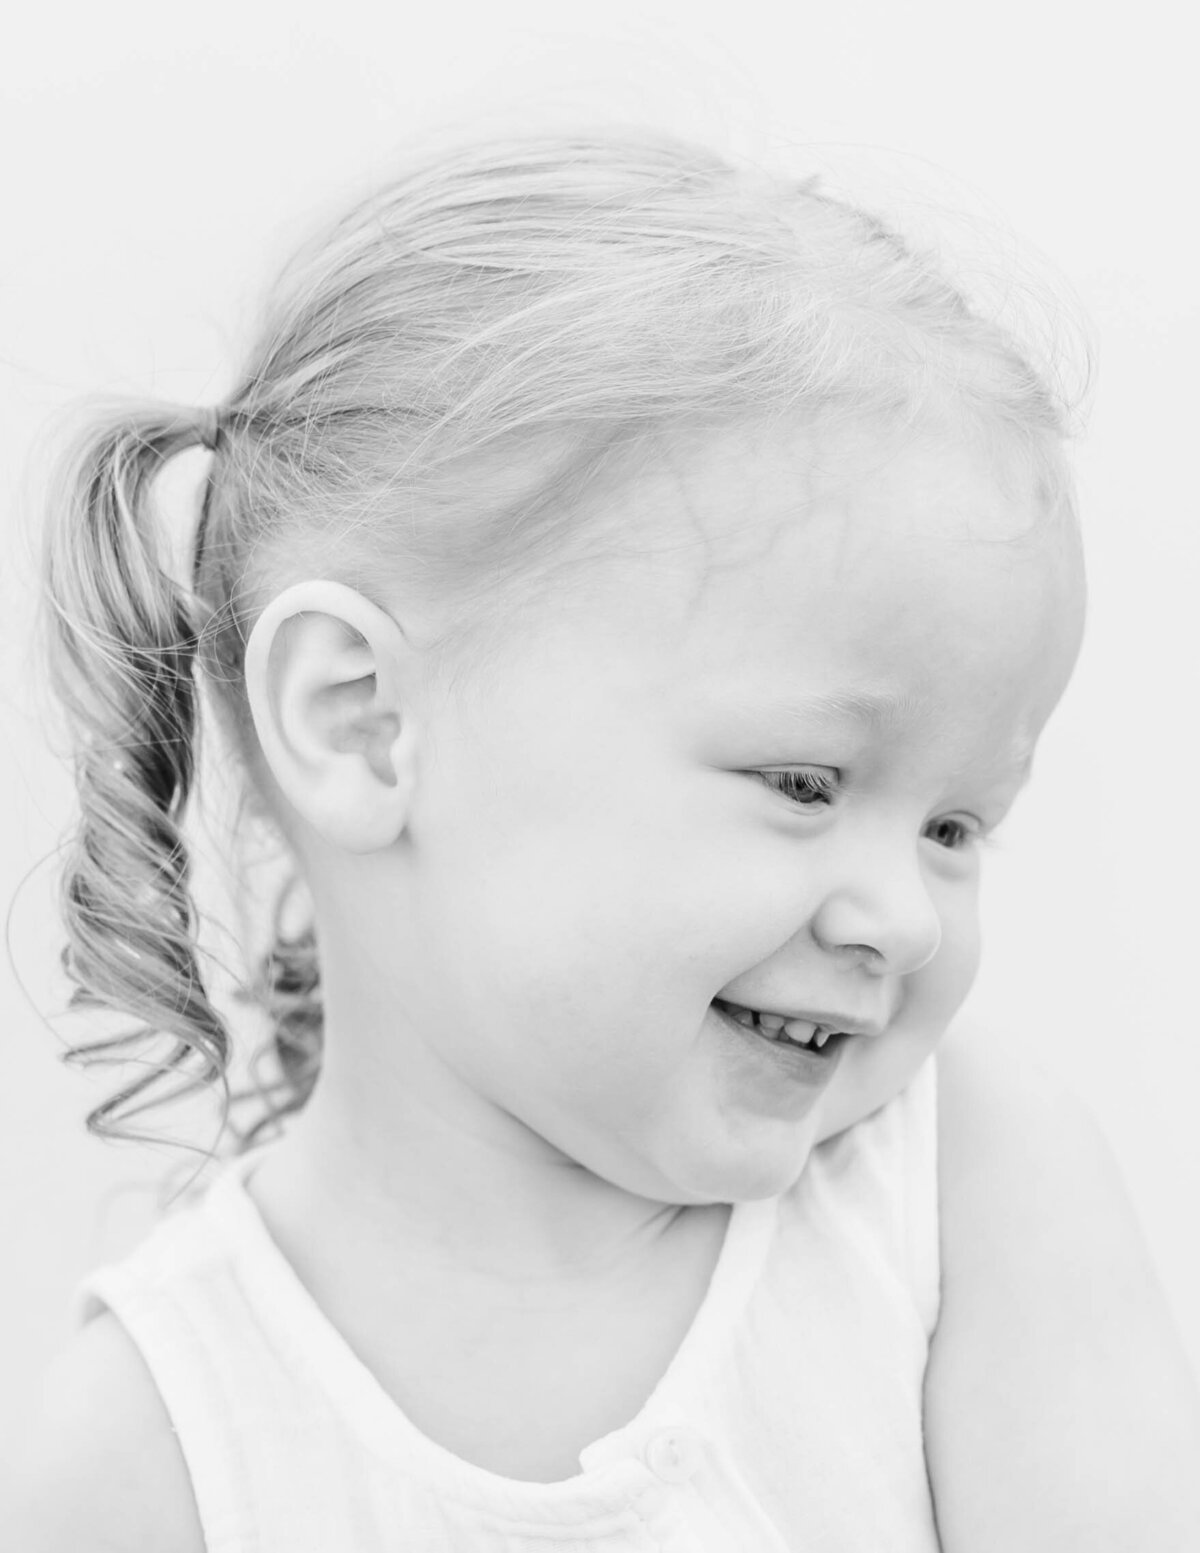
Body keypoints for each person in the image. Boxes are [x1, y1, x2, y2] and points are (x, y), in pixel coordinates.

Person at [10, 123, 1200, 1551]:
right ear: (365, 722)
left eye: (959, 824)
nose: (907, 914)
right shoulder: (153, 1456)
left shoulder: (970, 1197)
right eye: (807, 782)